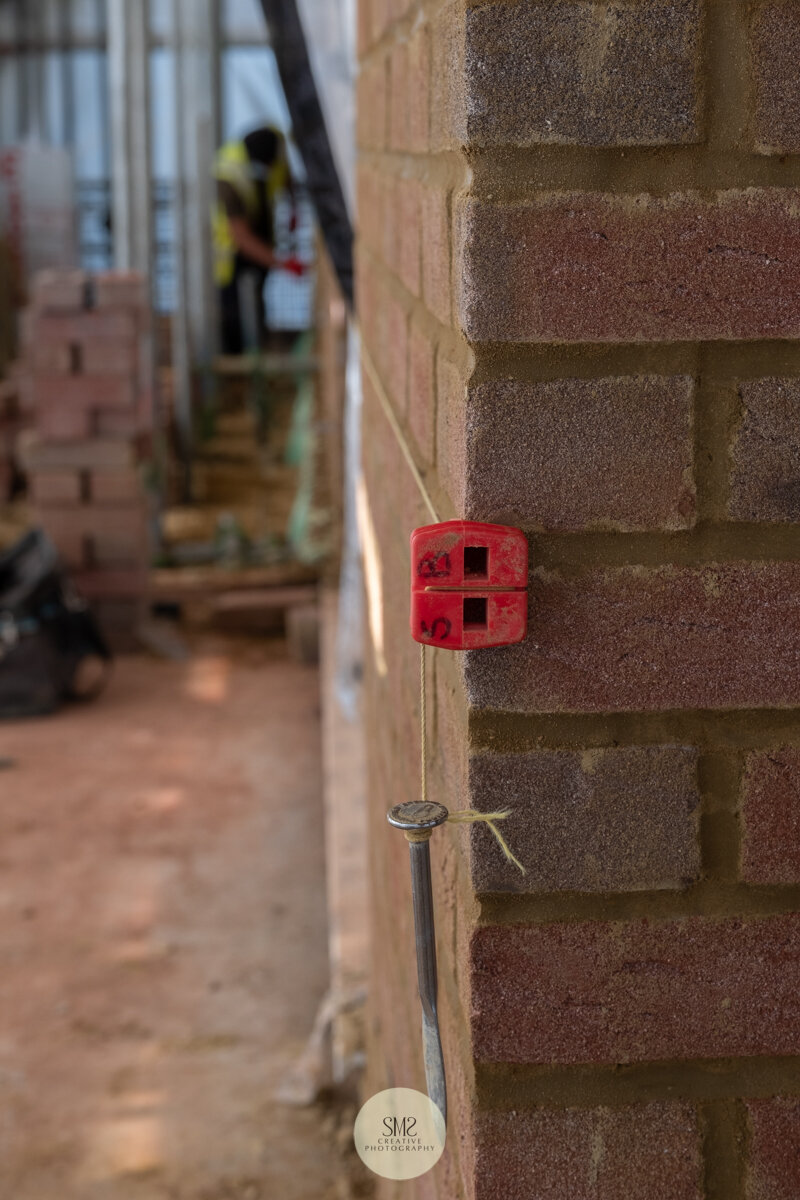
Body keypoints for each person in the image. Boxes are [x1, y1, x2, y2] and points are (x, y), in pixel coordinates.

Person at [212, 125, 305, 354]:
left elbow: (285, 177)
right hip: (229, 264)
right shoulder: (227, 177)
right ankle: (239, 366)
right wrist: (283, 263)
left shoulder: (273, 150)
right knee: (235, 317)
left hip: (255, 253)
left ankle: (253, 356)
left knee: (255, 305)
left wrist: (294, 209)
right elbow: (242, 238)